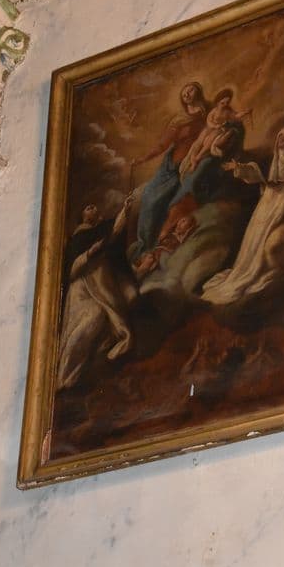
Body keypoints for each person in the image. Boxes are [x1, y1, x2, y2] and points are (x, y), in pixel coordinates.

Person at [201, 125, 284, 305]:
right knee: (255, 237)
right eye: (281, 134)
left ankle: (263, 270)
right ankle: (249, 269)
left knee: (271, 238)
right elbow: (256, 173)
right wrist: (239, 168)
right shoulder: (272, 159)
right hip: (268, 202)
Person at [56, 197, 137, 390]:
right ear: (82, 216)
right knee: (93, 316)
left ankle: (88, 371)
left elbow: (113, 232)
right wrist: (89, 253)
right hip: (82, 290)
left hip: (101, 285)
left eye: (94, 207)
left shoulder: (99, 231)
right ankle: (65, 376)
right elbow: (71, 270)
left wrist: (125, 211)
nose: (93, 208)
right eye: (88, 207)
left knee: (107, 320)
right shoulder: (77, 238)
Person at [131, 82, 209, 258]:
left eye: (191, 90)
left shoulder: (207, 115)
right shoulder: (179, 120)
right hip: (171, 167)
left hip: (192, 164)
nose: (186, 93)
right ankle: (145, 246)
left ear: (198, 93)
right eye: (184, 91)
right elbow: (162, 145)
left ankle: (161, 244)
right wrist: (143, 159)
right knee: (150, 197)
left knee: (177, 202)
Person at [179, 89, 251, 177]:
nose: (225, 105)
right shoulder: (214, 110)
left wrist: (245, 112)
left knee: (210, 141)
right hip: (209, 128)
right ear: (218, 102)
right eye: (222, 103)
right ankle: (192, 158)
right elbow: (208, 120)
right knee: (198, 142)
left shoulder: (228, 111)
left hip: (219, 130)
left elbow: (236, 116)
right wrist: (214, 126)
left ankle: (198, 158)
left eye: (227, 102)